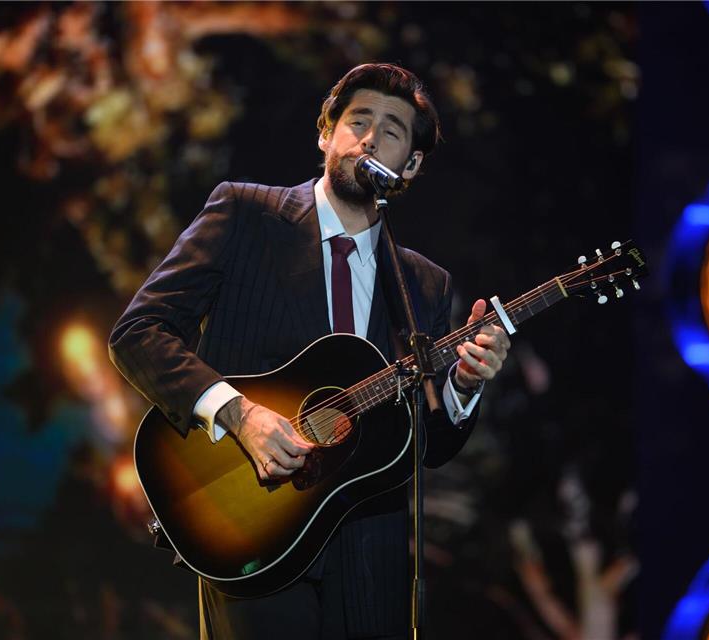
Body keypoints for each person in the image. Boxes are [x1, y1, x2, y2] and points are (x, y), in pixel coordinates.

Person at [109, 63, 511, 640]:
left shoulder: (422, 283)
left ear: (411, 167)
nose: (370, 138)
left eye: (392, 132)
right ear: (327, 134)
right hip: (254, 526)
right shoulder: (244, 214)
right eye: (357, 121)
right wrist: (239, 414)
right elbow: (139, 332)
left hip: (372, 557)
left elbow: (428, 444)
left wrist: (464, 387)